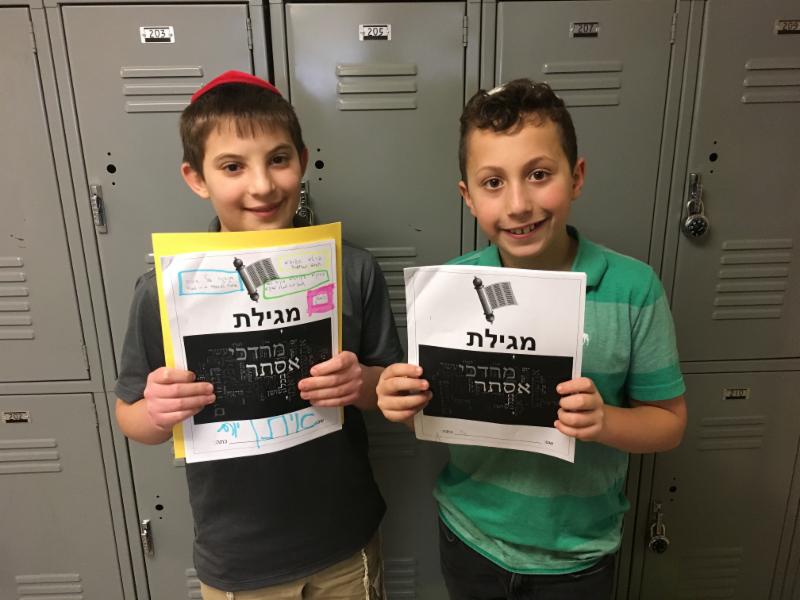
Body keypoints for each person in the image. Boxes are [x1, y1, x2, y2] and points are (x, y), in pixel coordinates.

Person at [376, 79, 687, 600]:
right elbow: (434, 411)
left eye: (539, 175)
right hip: (470, 538)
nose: (518, 204)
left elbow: (669, 424)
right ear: (468, 197)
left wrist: (604, 421)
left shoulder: (634, 288)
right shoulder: (451, 288)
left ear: (576, 176)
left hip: (578, 558)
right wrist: (402, 403)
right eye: (493, 183)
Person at [114, 70, 403, 600]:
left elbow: (389, 388)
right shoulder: (163, 291)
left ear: (303, 160)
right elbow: (130, 416)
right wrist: (155, 412)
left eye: (278, 159)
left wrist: (362, 383)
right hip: (237, 558)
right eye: (232, 167)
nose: (263, 186)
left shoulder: (352, 270)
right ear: (196, 178)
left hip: (345, 544)